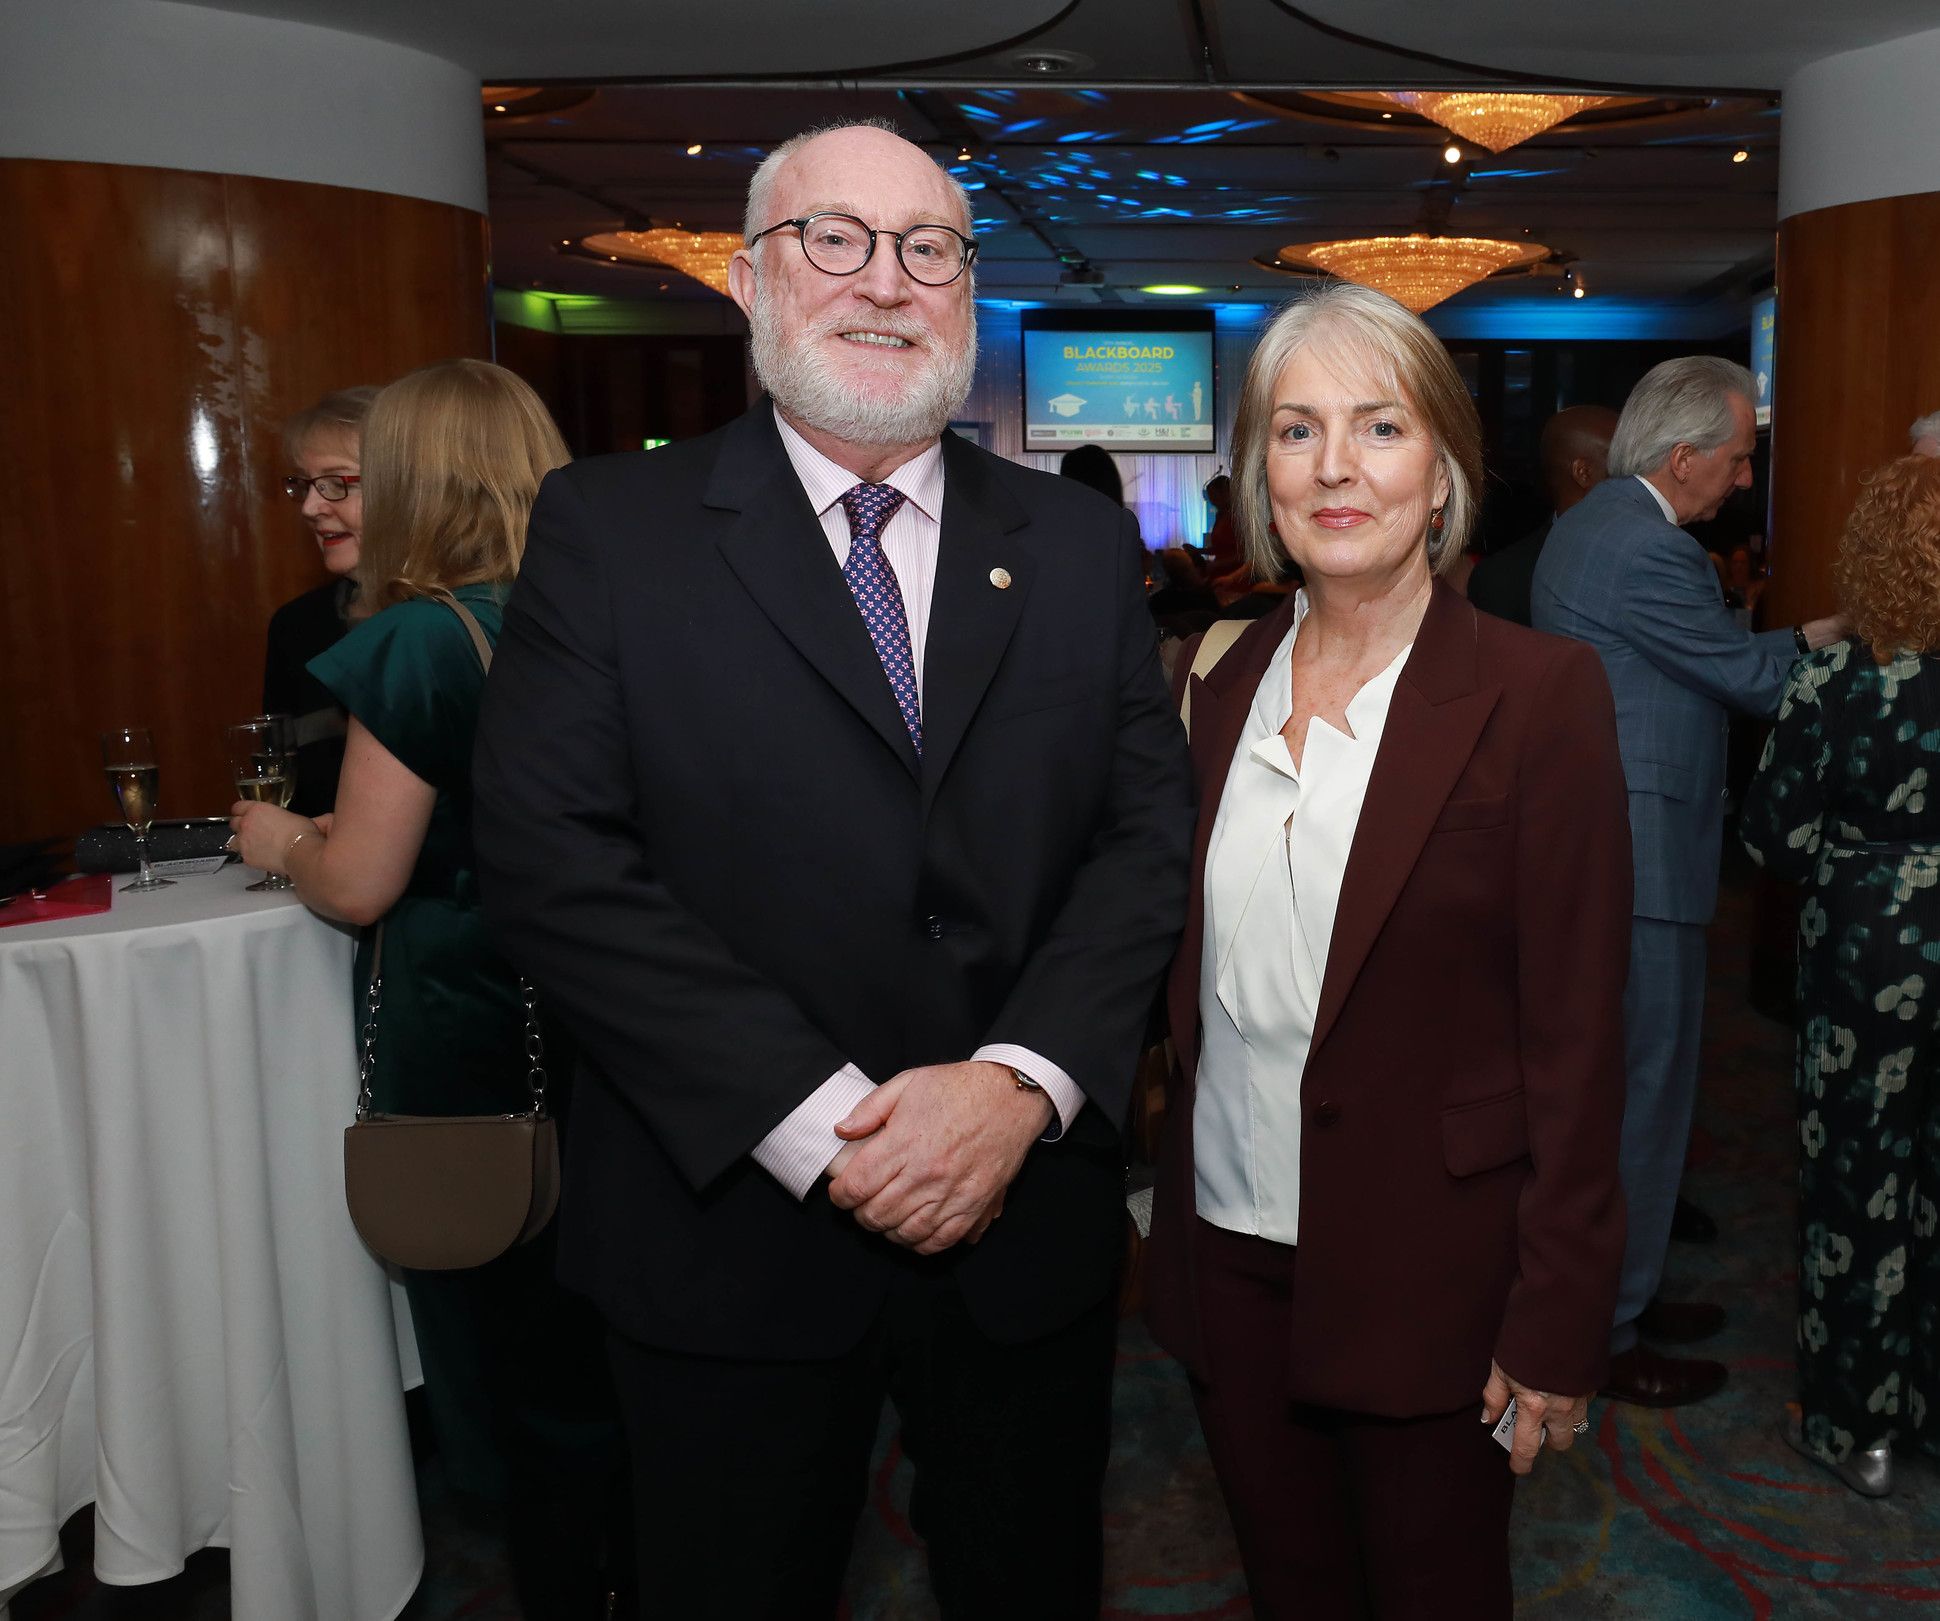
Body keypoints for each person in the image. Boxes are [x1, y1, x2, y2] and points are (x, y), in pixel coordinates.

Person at [471, 121, 1193, 1620]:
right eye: (836, 240)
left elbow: (1142, 839)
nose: (888, 281)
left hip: (1020, 1219)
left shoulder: (1068, 541)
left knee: (1031, 1582)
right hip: (723, 1222)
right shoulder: (612, 532)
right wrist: (826, 1126)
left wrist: (1015, 1087)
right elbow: (552, 864)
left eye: (930, 247)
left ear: (969, 290)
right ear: (748, 279)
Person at [1143, 281, 1632, 1618]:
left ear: (1443, 475)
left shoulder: (1540, 698)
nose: (1337, 467)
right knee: (1291, 1586)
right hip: (1231, 1245)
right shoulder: (1208, 685)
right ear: (1260, 480)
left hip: (1442, 1270)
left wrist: (1555, 1320)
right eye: (1296, 433)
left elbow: (1583, 1041)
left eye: (1380, 426)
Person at [229, 359, 628, 1619]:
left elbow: (357, 878)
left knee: (507, 1375)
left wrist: (275, 839)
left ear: (415, 478)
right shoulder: (600, 615)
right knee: (599, 1355)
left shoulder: (418, 637)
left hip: (469, 1040)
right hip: (610, 1025)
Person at [1532, 356, 1849, 1408]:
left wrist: (1793, 638)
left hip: (1605, 848)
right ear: (1683, 458)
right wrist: (1847, 640)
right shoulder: (1648, 548)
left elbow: (1712, 656)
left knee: (1623, 1092)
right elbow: (1746, 679)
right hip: (1637, 858)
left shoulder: (1602, 525)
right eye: (1738, 456)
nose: (1744, 479)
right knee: (1641, 1098)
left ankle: (1622, 1292)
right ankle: (1609, 1330)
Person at [1741, 453, 1940, 1499]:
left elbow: (1774, 840)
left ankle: (1853, 1430)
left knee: (1856, 1186)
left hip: (1869, 952)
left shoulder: (1831, 680)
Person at [265, 386, 378, 814]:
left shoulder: (453, 621)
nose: (310, 507)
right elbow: (286, 791)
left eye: (335, 484)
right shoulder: (296, 626)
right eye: (305, 484)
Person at [1467, 404, 1617, 627]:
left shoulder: (1652, 552)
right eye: (1622, 459)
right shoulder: (1505, 580)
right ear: (1584, 473)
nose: (1639, 469)